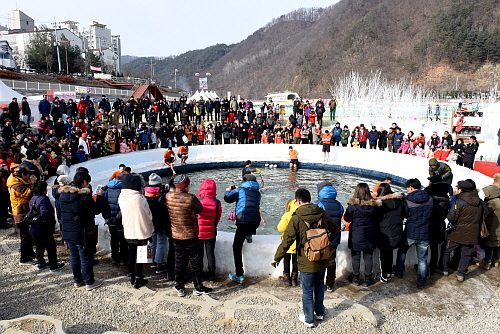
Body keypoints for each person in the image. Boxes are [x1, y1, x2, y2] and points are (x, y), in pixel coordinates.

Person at [272, 188, 339, 328]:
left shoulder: (296, 218)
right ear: (310, 199)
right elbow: (335, 229)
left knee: (307, 290)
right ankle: (320, 312)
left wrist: (277, 258)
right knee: (320, 284)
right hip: (322, 257)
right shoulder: (322, 213)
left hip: (306, 259)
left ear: (297, 201)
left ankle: (309, 319)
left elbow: (287, 240)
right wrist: (324, 243)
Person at [165, 175, 212, 296]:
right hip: (190, 235)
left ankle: (179, 286)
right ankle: (198, 287)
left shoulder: (168, 196)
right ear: (186, 186)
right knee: (195, 261)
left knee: (179, 260)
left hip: (176, 234)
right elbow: (200, 209)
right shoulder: (190, 198)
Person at [59, 171, 104, 291]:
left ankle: (77, 280)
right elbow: (96, 210)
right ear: (84, 182)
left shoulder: (62, 195)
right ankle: (89, 282)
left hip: (68, 230)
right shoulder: (84, 197)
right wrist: (99, 197)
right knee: (85, 258)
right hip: (81, 232)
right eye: (88, 182)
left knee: (74, 257)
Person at [442, 180, 486, 282]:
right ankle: (461, 274)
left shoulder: (458, 202)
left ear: (461, 190)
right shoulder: (480, 202)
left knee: (447, 250)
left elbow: (452, 218)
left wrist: (448, 212)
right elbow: (485, 214)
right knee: (466, 254)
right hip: (472, 233)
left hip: (456, 232)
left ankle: (444, 269)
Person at [394, 178, 434, 289]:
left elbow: (405, 214)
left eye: (408, 188)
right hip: (425, 233)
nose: (407, 190)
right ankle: (421, 282)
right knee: (422, 259)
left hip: (410, 232)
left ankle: (399, 272)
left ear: (411, 188)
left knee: (402, 252)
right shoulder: (430, 199)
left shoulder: (407, 201)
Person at [224, 174, 261, 284]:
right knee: (250, 220)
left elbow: (228, 199)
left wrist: (227, 190)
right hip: (255, 222)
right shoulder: (258, 193)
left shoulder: (240, 190)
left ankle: (239, 275)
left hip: (244, 221)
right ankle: (249, 236)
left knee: (236, 246)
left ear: (244, 181)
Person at [119, 173, 154, 289]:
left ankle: (131, 275)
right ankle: (138, 279)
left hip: (128, 230)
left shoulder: (122, 197)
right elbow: (148, 215)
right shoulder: (139, 198)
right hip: (140, 231)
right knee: (141, 256)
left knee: (131, 252)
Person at [344, 183, 381, 286]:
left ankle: (355, 278)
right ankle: (368, 279)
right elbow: (378, 218)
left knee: (355, 256)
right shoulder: (374, 206)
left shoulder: (352, 206)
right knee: (368, 256)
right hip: (370, 234)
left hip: (356, 234)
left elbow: (347, 218)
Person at [28, 181, 65, 271]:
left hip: (33, 227)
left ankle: (41, 263)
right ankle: (53, 264)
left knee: (39, 247)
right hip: (43, 228)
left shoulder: (33, 198)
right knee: (50, 247)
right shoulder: (43, 199)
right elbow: (45, 213)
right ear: (43, 190)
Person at [314, 181, 343, 291]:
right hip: (334, 238)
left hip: (321, 238)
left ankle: (319, 283)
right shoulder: (339, 204)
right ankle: (330, 284)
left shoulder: (317, 203)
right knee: (331, 261)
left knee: (319, 260)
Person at [375, 183, 404, 282]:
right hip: (396, 233)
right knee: (390, 254)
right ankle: (388, 273)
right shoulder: (399, 202)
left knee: (383, 255)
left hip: (384, 234)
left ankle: (384, 276)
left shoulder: (379, 204)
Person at [7, 166, 35, 265]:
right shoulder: (17, 185)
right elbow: (29, 193)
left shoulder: (18, 182)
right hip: (21, 214)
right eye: (28, 174)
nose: (29, 176)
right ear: (22, 175)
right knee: (25, 237)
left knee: (29, 235)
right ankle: (24, 258)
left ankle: (30, 253)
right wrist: (33, 183)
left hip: (23, 212)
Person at [197, 179, 222, 282]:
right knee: (210, 254)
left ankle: (200, 274)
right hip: (211, 232)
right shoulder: (217, 202)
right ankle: (212, 275)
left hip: (198, 232)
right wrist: (213, 225)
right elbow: (218, 217)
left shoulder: (198, 200)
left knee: (199, 254)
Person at [424, 175, 450, 274]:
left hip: (429, 223)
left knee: (424, 247)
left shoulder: (428, 194)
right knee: (434, 248)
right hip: (440, 224)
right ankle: (432, 267)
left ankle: (423, 267)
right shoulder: (445, 195)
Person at [145, 173, 169, 274]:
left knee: (151, 242)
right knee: (161, 242)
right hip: (161, 222)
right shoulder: (161, 196)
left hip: (150, 223)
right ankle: (159, 265)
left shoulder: (145, 195)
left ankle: (149, 261)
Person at [477, 183, 500, 269]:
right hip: (498, 227)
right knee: (497, 245)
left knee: (490, 245)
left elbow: (485, 213)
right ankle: (496, 260)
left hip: (492, 227)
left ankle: (487, 262)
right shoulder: (498, 200)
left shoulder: (492, 202)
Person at [276, 198, 299, 286]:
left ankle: (286, 277)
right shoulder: (300, 214)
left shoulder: (287, 214)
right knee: (295, 260)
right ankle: (294, 278)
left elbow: (280, 228)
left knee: (286, 259)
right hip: (298, 242)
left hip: (288, 242)